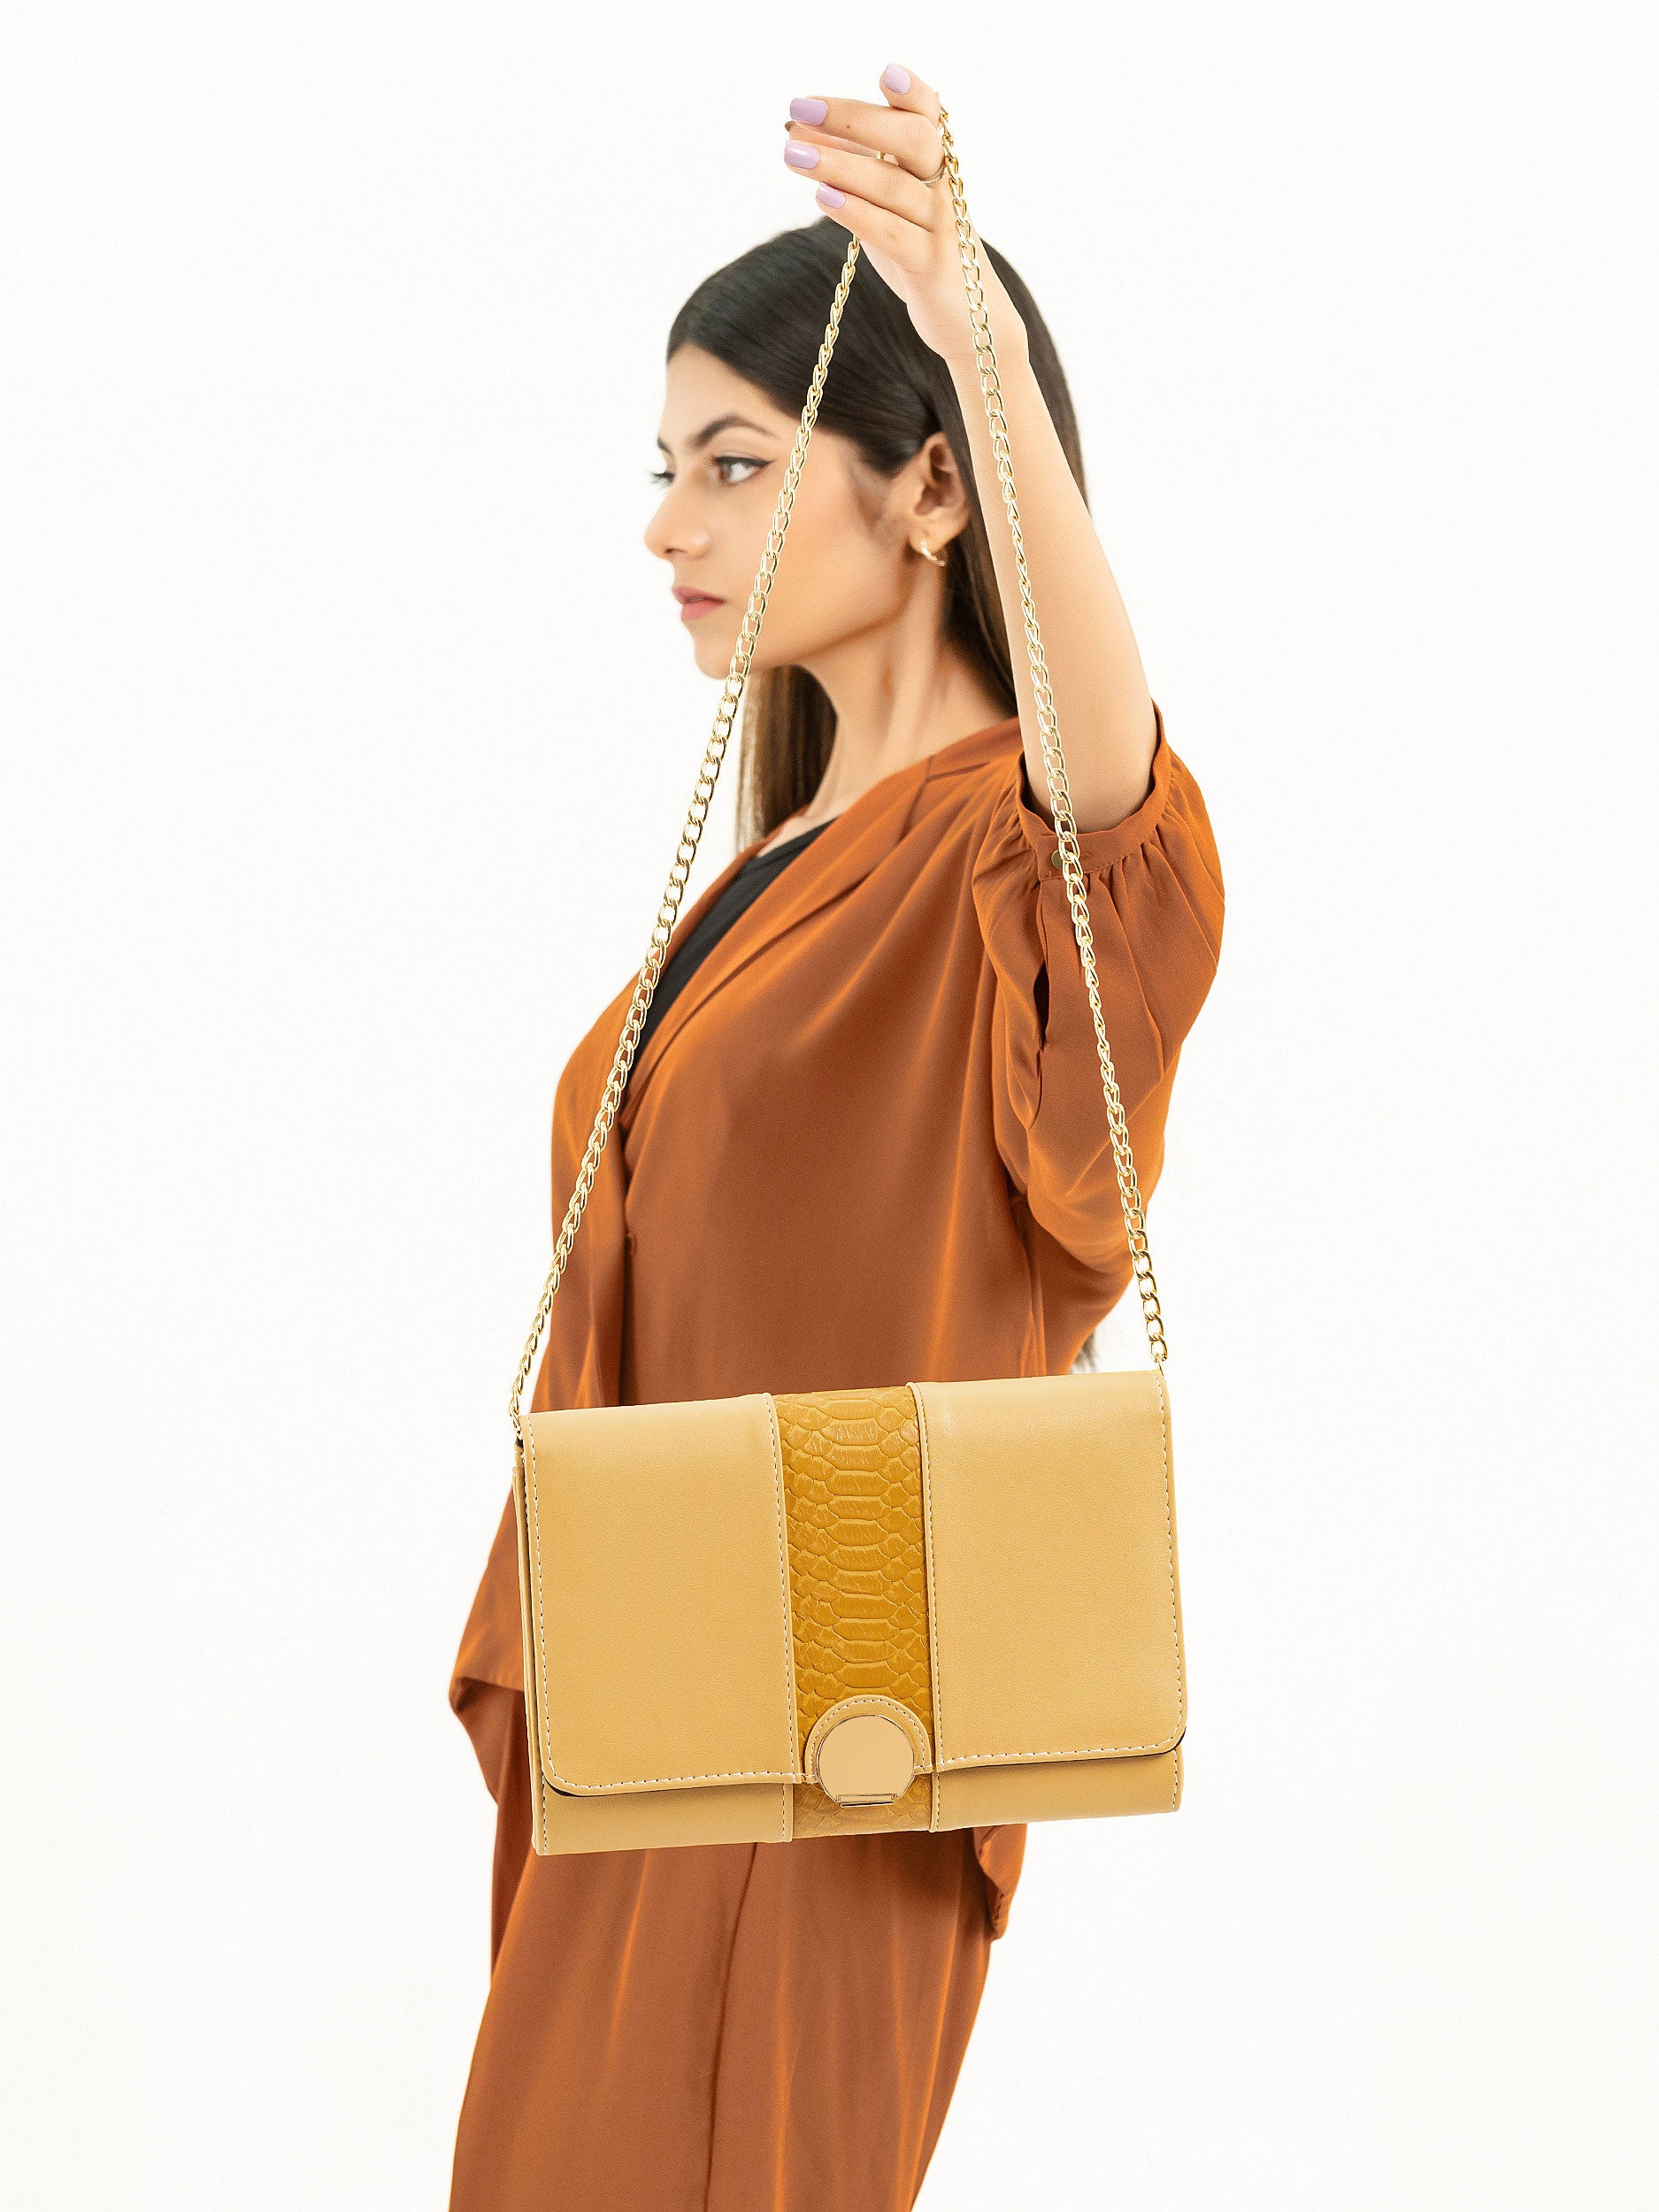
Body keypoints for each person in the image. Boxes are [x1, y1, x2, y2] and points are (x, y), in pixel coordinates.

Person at [447, 62, 1225, 2212]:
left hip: (823, 1730)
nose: (666, 525)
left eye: (732, 463)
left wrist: (969, 326)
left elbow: (1111, 801)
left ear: (934, 490)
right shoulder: (778, 844)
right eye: (665, 467)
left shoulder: (1007, 858)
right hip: (645, 1715)